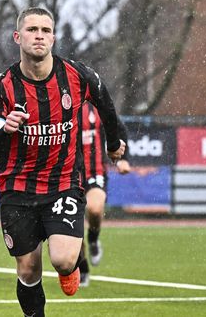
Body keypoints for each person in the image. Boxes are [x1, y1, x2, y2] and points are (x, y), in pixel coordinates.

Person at [0, 7, 125, 317]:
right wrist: (6, 129)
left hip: (63, 183)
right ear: (18, 37)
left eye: (46, 30)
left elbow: (107, 106)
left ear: (54, 37)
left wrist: (114, 144)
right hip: (16, 188)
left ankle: (70, 265)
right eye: (32, 30)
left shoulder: (78, 76)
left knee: (62, 259)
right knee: (29, 268)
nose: (39, 36)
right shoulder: (1, 87)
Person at [78, 101, 131, 287]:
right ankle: (82, 268)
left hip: (95, 172)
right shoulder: (60, 105)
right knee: (71, 228)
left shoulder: (97, 105)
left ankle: (93, 239)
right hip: (67, 176)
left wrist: (123, 159)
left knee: (94, 209)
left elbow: (119, 130)